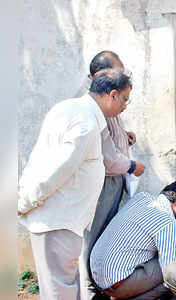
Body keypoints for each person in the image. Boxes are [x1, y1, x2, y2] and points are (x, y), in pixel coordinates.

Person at [18, 69, 133, 300]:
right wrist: (25, 201)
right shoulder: (86, 124)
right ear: (112, 95)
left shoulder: (71, 110)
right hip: (56, 220)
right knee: (60, 293)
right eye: (125, 99)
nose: (125, 106)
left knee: (66, 289)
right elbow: (55, 172)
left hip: (63, 220)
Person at [79, 51, 146, 300]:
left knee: (107, 233)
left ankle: (99, 285)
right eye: (115, 74)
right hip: (103, 180)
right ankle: (90, 289)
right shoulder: (91, 107)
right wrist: (131, 166)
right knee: (94, 238)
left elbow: (111, 137)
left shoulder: (109, 102)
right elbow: (105, 156)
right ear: (97, 77)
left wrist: (124, 135)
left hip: (115, 178)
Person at [90, 180, 176, 299]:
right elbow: (171, 275)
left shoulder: (141, 197)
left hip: (97, 275)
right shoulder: (168, 222)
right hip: (117, 286)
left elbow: (143, 231)